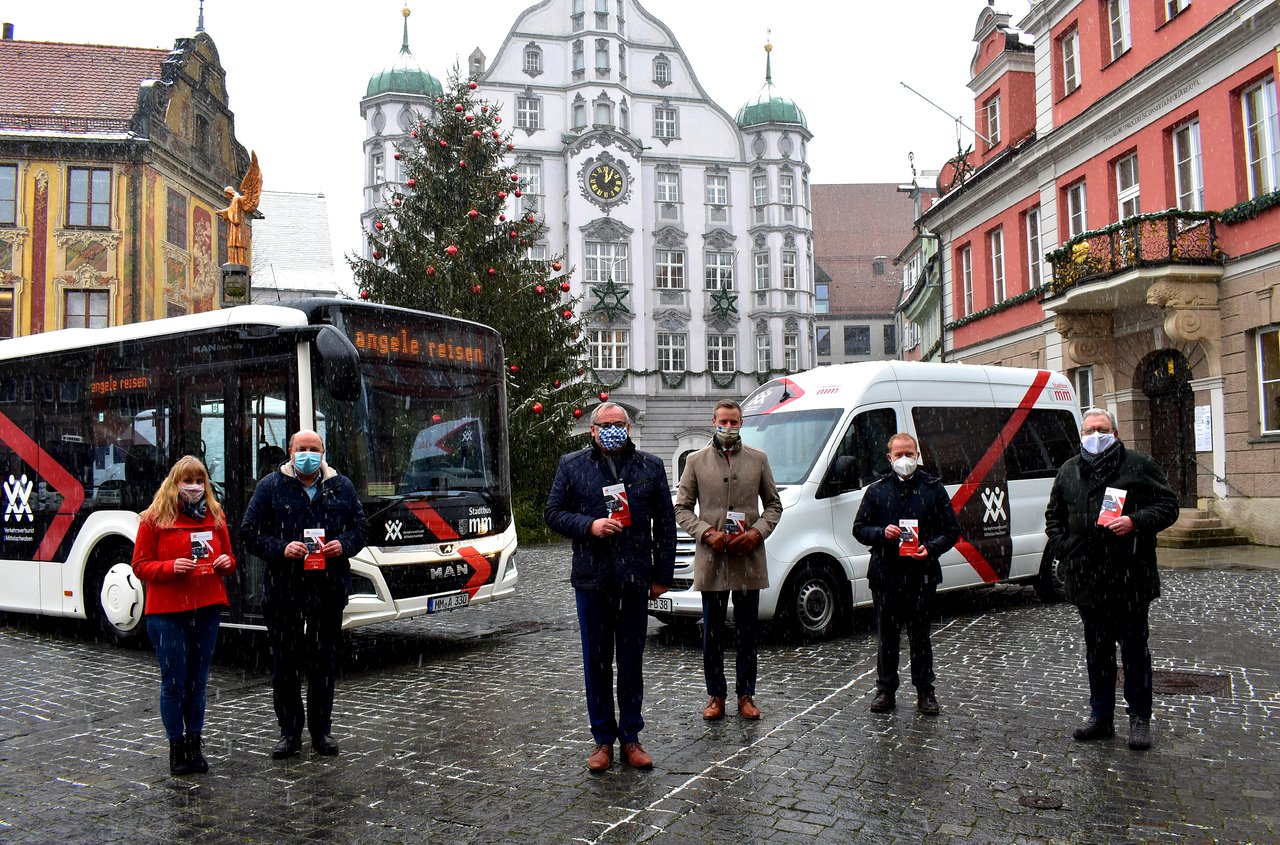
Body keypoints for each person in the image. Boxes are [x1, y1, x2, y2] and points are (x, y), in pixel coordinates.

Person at [545, 402, 676, 772]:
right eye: (607, 424)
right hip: (592, 578)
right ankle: (602, 739)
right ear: (593, 430)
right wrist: (590, 525)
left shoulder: (650, 466)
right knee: (597, 662)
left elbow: (665, 523)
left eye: (621, 423)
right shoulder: (572, 465)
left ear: (629, 428)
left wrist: (662, 576)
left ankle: (631, 737)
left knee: (632, 662)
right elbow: (552, 512)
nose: (615, 429)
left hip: (635, 578)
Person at [1046, 407, 1178, 751]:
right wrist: (1065, 547)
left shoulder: (1138, 464)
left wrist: (1135, 521)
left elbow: (1168, 505)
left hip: (1130, 577)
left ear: (1115, 433)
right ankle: (1101, 716)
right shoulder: (1069, 470)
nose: (1094, 435)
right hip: (1087, 580)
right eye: (1088, 430)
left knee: (1134, 652)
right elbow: (1054, 515)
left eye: (1101, 429)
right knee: (1098, 652)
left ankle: (1139, 719)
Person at [241, 429, 369, 759]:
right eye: (302, 448)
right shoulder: (271, 486)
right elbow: (249, 532)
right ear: (291, 451)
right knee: (285, 665)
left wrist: (345, 544)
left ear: (323, 453)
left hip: (328, 591)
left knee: (324, 665)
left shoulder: (342, 486)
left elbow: (362, 527)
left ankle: (321, 732)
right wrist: (281, 548)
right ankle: (289, 733)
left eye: (314, 448)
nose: (308, 454)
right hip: (284, 592)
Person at [674, 399, 782, 721]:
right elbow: (682, 508)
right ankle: (715, 695)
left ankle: (746, 694)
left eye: (734, 422)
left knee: (747, 631)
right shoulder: (695, 461)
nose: (729, 427)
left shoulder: (758, 460)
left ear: (741, 423)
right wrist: (705, 532)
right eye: (724, 421)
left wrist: (758, 532)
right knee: (713, 633)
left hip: (747, 557)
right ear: (713, 421)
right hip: (713, 558)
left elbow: (774, 505)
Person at [131, 455, 236, 775]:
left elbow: (229, 557)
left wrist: (224, 563)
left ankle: (194, 742)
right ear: (174, 483)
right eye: (186, 481)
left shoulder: (215, 515)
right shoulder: (153, 519)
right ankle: (176, 747)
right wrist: (169, 568)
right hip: (167, 612)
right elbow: (139, 566)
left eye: (199, 481)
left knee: (198, 682)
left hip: (206, 608)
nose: (193, 487)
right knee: (174, 682)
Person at [852, 432, 959, 715]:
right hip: (885, 574)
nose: (904, 459)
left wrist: (931, 547)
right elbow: (859, 529)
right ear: (889, 458)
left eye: (909, 454)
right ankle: (885, 690)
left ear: (917, 455)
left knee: (920, 635)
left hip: (921, 574)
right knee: (887, 636)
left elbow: (951, 531)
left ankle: (925, 691)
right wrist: (881, 533)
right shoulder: (876, 491)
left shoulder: (933, 488)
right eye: (898, 455)